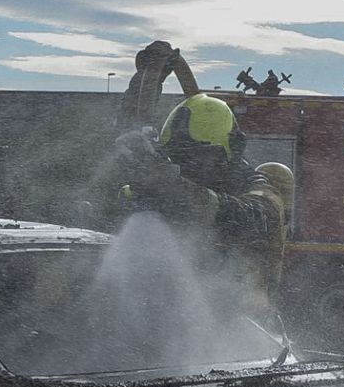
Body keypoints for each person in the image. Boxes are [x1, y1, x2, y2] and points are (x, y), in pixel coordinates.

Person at [114, 91, 293, 305]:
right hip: (172, 308)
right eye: (177, 157)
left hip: (244, 321)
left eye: (195, 157)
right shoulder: (176, 188)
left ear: (228, 153)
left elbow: (251, 217)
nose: (186, 167)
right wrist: (139, 188)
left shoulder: (262, 193)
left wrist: (173, 186)